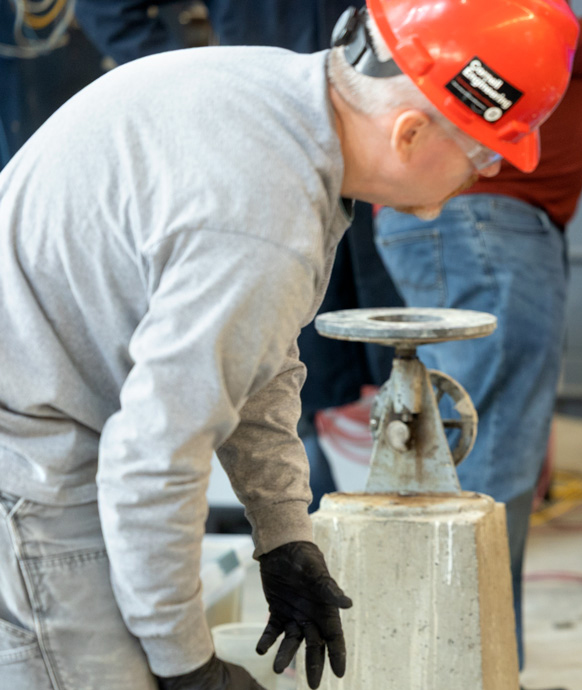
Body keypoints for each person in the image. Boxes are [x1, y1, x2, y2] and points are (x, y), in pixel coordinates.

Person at [0, 1, 578, 690]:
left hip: (49, 428)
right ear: (409, 131)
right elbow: (153, 459)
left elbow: (258, 366)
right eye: (485, 153)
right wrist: (189, 676)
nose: (484, 173)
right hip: (31, 472)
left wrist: (283, 536)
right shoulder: (266, 214)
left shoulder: (283, 112)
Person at [373, 7, 582, 690]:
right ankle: (464, 687)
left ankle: (484, 676)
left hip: (494, 220)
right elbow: (539, 36)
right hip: (486, 218)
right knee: (486, 467)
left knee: (491, 460)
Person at [75, 0, 406, 517]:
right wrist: (199, 81)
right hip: (265, 146)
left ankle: (391, 519)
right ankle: (301, 526)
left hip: (378, 143)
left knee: (399, 351)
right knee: (271, 352)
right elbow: (106, 9)